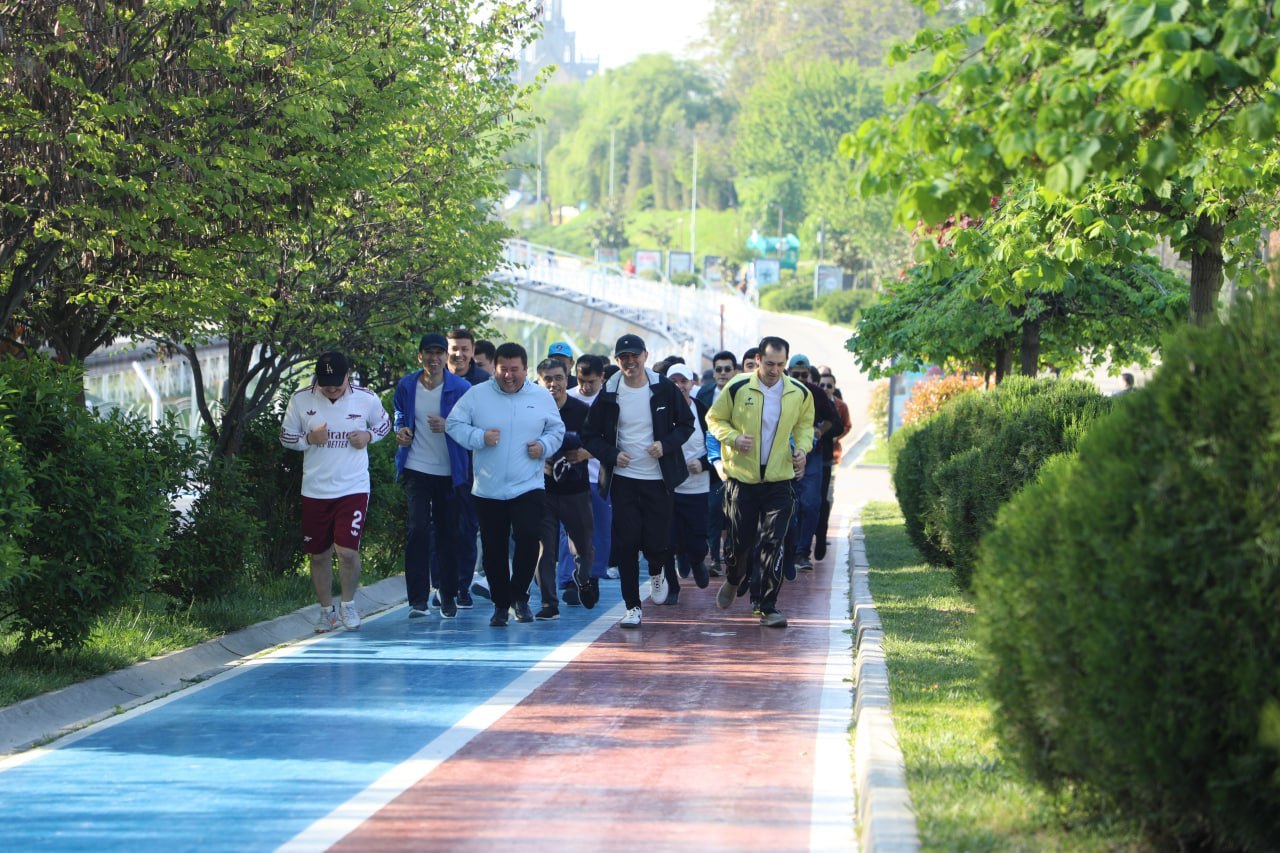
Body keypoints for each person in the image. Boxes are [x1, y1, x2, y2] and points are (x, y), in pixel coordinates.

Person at [446, 343, 564, 627]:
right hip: (488, 487)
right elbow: (453, 424)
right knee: (494, 548)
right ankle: (500, 604)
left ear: (526, 370)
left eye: (515, 370)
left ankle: (519, 598)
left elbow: (556, 429)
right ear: (494, 369)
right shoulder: (477, 395)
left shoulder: (540, 396)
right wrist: (480, 437)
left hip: (528, 485)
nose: (509, 376)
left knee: (528, 538)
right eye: (503, 370)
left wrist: (544, 446)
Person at [583, 334, 694, 629]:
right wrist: (612, 454)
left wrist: (666, 445)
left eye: (634, 356)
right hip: (624, 479)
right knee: (627, 544)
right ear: (617, 360)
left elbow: (686, 425)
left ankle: (657, 572)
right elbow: (589, 436)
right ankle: (632, 606)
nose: (629, 362)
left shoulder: (663, 387)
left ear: (645, 355)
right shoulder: (609, 391)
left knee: (658, 543)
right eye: (623, 358)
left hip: (658, 478)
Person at [279, 352, 392, 633]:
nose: (331, 388)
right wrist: (309, 439)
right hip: (315, 489)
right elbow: (285, 436)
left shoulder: (366, 398)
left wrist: (368, 436)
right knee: (318, 555)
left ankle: (349, 604)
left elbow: (385, 424)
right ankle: (326, 610)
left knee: (348, 551)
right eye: (325, 383)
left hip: (353, 487)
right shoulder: (301, 399)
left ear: (348, 375)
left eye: (337, 383)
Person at [707, 336, 815, 628]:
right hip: (742, 479)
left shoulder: (799, 393)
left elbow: (805, 426)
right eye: (769, 363)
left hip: (780, 480)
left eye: (781, 365)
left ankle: (768, 607)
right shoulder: (738, 386)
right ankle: (733, 577)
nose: (774, 370)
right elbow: (714, 419)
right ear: (758, 359)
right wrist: (733, 438)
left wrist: (803, 449)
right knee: (739, 543)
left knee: (772, 542)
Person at [393, 333, 471, 619]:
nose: (434, 358)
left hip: (450, 472)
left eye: (440, 353)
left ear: (445, 357)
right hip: (416, 467)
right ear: (420, 357)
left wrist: (449, 425)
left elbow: (472, 425)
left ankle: (448, 594)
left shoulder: (461, 388)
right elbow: (399, 415)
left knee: (448, 533)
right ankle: (417, 600)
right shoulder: (406, 385)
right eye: (429, 353)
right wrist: (400, 431)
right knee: (417, 530)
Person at [533, 358, 595, 620]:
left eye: (558, 378)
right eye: (547, 378)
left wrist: (585, 453)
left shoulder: (581, 410)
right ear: (539, 380)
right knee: (544, 550)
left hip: (576, 491)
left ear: (567, 378)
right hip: (541, 491)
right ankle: (549, 603)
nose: (553, 384)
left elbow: (601, 442)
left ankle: (581, 578)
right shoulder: (531, 409)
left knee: (582, 547)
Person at [659, 362, 712, 603]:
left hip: (697, 487)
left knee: (697, 541)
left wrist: (703, 463)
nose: (679, 386)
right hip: (668, 487)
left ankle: (697, 560)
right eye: (674, 382)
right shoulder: (659, 412)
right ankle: (672, 587)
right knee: (666, 542)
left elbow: (718, 447)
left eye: (683, 381)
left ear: (692, 384)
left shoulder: (704, 412)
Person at [446, 328, 490, 601]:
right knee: (438, 527)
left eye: (465, 349)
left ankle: (462, 586)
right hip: (438, 465)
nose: (459, 354)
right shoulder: (434, 379)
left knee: (467, 528)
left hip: (475, 468)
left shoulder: (485, 382)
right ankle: (441, 585)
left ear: (473, 351)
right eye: (454, 349)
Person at [786, 355, 836, 572]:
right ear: (787, 373)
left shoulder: (816, 393)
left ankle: (802, 551)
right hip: (782, 454)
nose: (799, 378)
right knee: (788, 503)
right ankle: (786, 549)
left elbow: (834, 421)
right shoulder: (778, 391)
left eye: (804, 375)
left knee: (811, 503)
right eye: (795, 375)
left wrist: (819, 431)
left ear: (809, 375)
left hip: (812, 454)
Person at [699, 351, 738, 574]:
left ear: (735, 371)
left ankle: (731, 554)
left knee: (735, 512)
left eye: (727, 369)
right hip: (712, 462)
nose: (723, 373)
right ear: (713, 372)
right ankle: (714, 558)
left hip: (740, 461)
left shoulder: (743, 393)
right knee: (713, 510)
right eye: (719, 369)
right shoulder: (704, 394)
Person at [815, 372, 852, 562]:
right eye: (822, 385)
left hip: (827, 458)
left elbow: (843, 426)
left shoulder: (837, 405)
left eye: (829, 386)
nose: (825, 389)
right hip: (808, 457)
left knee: (823, 499)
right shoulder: (812, 399)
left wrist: (831, 433)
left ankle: (821, 536)